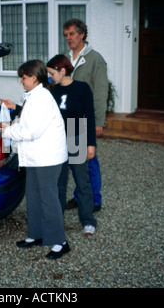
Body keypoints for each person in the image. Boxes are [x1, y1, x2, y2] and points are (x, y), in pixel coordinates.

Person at [0, 60, 70, 260]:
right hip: (36, 157)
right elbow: (26, 122)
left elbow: (31, 131)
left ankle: (60, 242)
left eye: (24, 77)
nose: (21, 81)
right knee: (34, 197)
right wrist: (13, 119)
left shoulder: (42, 98)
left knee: (48, 200)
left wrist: (7, 131)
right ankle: (37, 235)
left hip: (47, 157)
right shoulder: (32, 96)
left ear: (34, 77)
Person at [47, 54, 98, 235]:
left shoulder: (82, 88)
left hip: (77, 134)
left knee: (82, 182)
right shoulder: (52, 91)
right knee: (58, 184)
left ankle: (88, 220)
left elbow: (90, 117)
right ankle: (57, 220)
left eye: (52, 73)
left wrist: (90, 144)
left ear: (62, 70)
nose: (50, 77)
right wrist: (16, 108)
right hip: (58, 140)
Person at [63, 18, 109, 213]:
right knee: (75, 161)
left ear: (82, 34)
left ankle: (95, 200)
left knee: (89, 160)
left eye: (72, 34)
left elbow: (100, 92)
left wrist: (98, 121)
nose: (69, 38)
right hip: (68, 119)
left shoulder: (95, 59)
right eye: (66, 35)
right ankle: (79, 195)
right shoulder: (65, 59)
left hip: (84, 119)